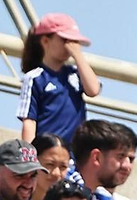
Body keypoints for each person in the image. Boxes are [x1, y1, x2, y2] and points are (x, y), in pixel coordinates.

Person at [17, 13, 98, 145]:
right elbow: (29, 120)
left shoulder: (75, 74)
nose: (70, 46)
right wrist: (31, 159)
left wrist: (78, 56)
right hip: (47, 152)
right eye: (65, 40)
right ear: (45, 41)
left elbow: (93, 90)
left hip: (75, 155)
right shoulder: (35, 78)